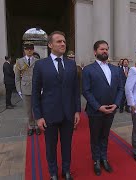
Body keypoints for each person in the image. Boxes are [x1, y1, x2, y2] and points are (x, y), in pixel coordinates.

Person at [32, 31, 81, 180]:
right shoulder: (41, 65)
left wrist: (77, 111)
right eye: (59, 41)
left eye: (64, 41)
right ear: (50, 45)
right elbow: (35, 92)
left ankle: (66, 171)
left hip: (68, 113)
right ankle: (53, 172)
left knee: (67, 145)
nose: (63, 44)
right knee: (50, 146)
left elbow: (75, 90)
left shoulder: (72, 64)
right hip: (49, 114)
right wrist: (38, 116)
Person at [82, 40, 124, 176]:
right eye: (101, 49)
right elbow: (86, 91)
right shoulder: (88, 70)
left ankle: (104, 158)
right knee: (95, 137)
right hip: (95, 111)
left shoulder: (116, 69)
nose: (105, 51)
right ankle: (96, 160)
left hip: (111, 109)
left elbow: (120, 89)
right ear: (95, 52)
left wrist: (116, 104)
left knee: (105, 136)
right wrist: (98, 107)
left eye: (106, 49)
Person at [15, 42, 41, 136]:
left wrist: (41, 88)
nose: (29, 50)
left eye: (31, 49)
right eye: (27, 49)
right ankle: (31, 126)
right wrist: (19, 90)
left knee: (36, 109)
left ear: (33, 50)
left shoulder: (37, 61)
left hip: (36, 88)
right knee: (28, 110)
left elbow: (41, 76)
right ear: (24, 50)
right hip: (25, 88)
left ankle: (37, 125)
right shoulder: (19, 61)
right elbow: (17, 78)